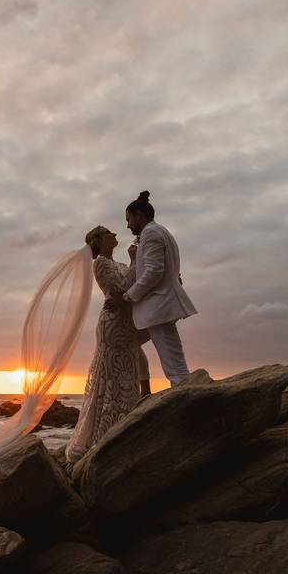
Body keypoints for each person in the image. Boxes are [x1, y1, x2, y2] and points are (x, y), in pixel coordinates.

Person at [64, 225, 149, 471]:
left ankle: (124, 426)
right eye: (109, 233)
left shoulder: (118, 262)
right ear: (99, 241)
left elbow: (131, 286)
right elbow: (121, 289)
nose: (114, 234)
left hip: (125, 321)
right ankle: (105, 434)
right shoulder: (100, 263)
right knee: (112, 377)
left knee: (126, 373)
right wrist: (134, 261)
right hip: (112, 324)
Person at [107, 191, 197, 391]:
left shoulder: (151, 233)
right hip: (158, 306)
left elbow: (154, 271)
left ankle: (186, 403)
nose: (128, 224)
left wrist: (126, 297)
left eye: (129, 219)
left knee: (174, 366)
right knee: (169, 361)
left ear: (139, 215)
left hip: (157, 306)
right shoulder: (160, 232)